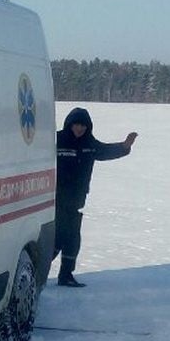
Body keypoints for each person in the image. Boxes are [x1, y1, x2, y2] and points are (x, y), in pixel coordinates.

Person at [54, 107, 138, 287]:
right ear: (69, 124)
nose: (79, 129)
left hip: (76, 201)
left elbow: (105, 151)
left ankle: (65, 275)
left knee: (72, 239)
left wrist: (124, 147)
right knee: (59, 238)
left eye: (83, 126)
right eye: (77, 125)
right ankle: (41, 274)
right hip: (55, 200)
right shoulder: (56, 140)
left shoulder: (89, 143)